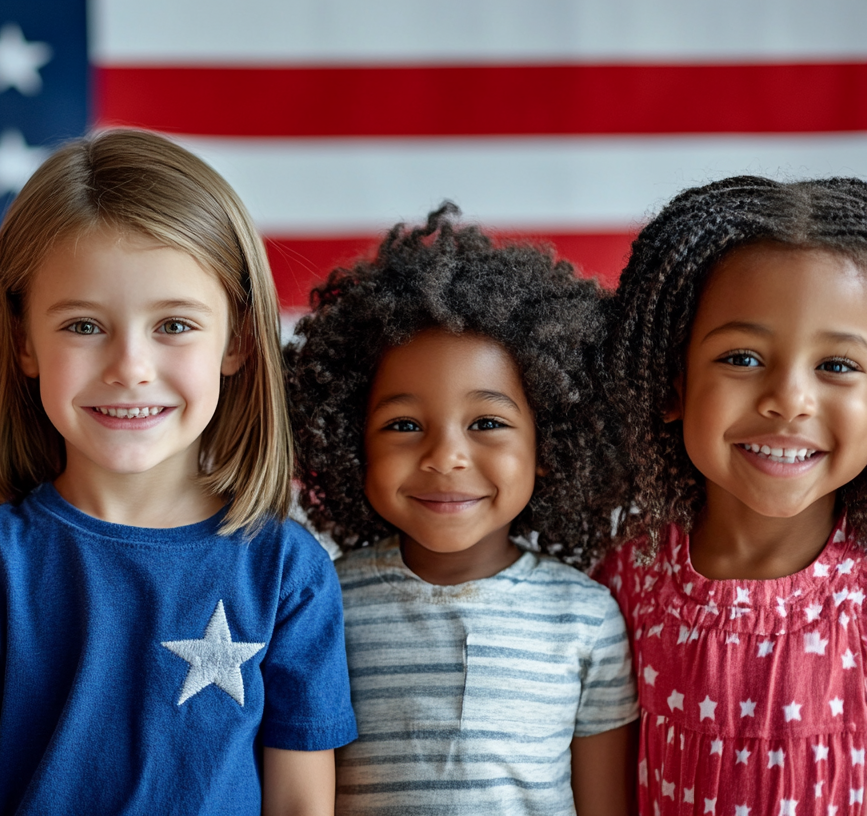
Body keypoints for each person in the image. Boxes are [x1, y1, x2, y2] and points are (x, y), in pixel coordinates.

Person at [0, 129, 356, 815]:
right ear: (24, 341)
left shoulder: (288, 572)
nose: (129, 367)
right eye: (84, 326)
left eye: (173, 325)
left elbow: (301, 802)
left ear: (236, 340)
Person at [287, 204, 638, 815]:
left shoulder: (585, 618)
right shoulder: (322, 604)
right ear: (350, 443)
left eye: (487, 423)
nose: (446, 456)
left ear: (549, 444)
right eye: (403, 424)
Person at [596, 176, 867, 814]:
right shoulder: (624, 583)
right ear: (670, 382)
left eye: (838, 365)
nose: (790, 399)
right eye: (742, 358)